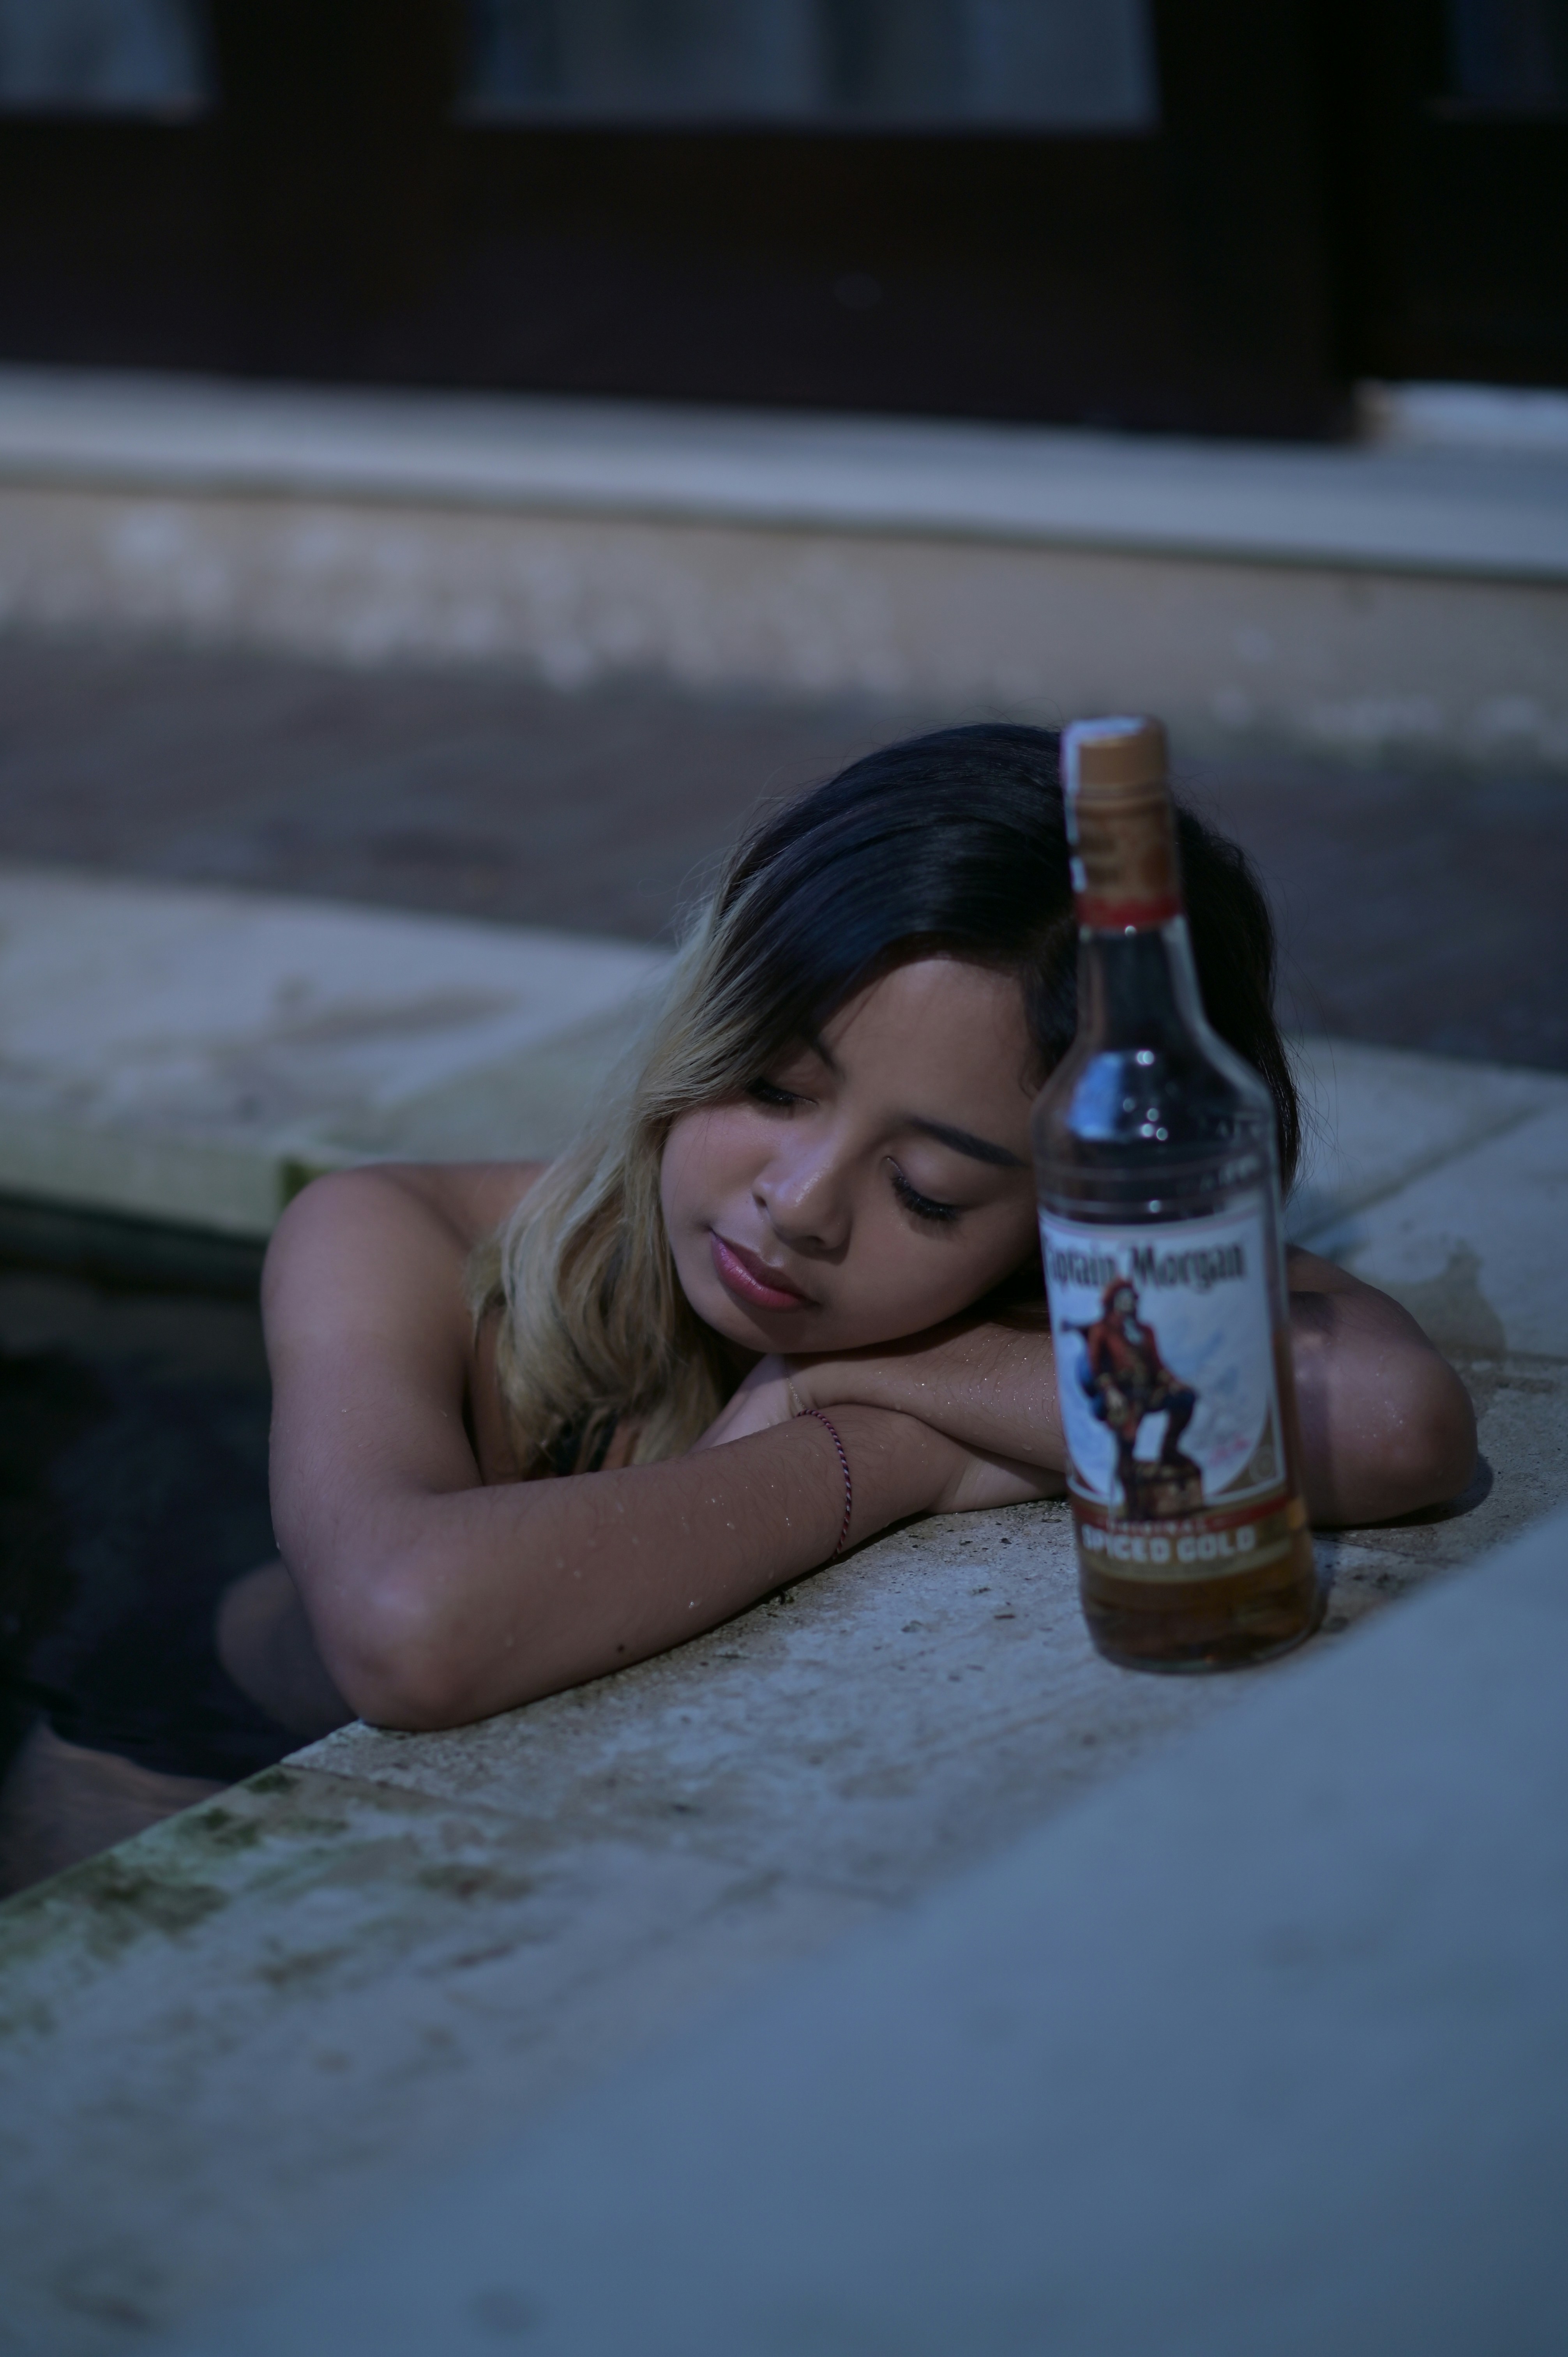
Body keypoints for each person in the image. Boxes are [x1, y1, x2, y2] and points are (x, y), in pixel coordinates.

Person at [224, 721, 1474, 1738]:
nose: (804, 1204)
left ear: (1065, 1216)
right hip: (181, 1749)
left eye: (928, 1190)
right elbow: (406, 1627)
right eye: (771, 1088)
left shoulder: (1040, 1287)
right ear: (704, 1017)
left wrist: (896, 1372)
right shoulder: (395, 1234)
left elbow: (1394, 1423)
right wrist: (885, 1452)